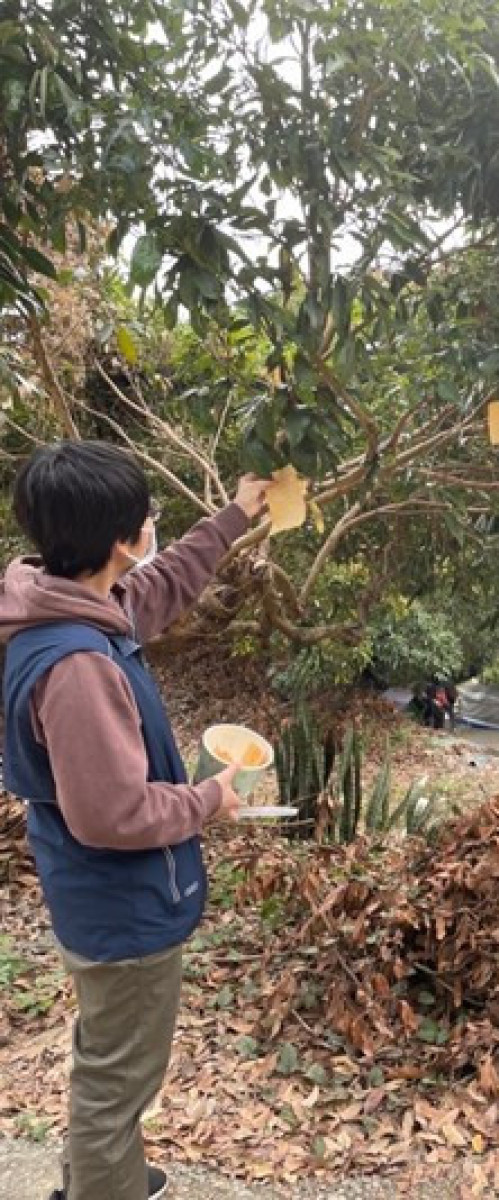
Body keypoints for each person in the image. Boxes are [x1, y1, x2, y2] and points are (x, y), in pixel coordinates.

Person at [0, 441, 269, 1200]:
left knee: (107, 1061)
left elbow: (164, 584)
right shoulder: (78, 666)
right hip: (119, 906)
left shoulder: (72, 598)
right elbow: (112, 813)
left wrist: (237, 513)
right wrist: (212, 798)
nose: (155, 530)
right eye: (146, 519)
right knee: (119, 1081)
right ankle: (98, 1185)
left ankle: (100, 1173)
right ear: (122, 540)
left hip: (98, 898)